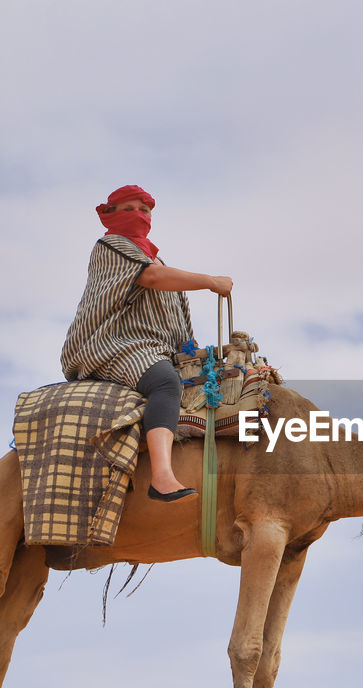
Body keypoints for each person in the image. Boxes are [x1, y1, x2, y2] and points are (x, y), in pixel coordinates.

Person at [61, 185, 234, 502]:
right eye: (129, 209)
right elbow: (153, 278)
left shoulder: (155, 257)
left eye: (145, 210)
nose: (139, 216)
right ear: (109, 215)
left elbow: (175, 314)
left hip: (156, 348)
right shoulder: (111, 245)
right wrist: (211, 281)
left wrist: (195, 352)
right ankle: (162, 477)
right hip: (114, 343)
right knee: (166, 384)